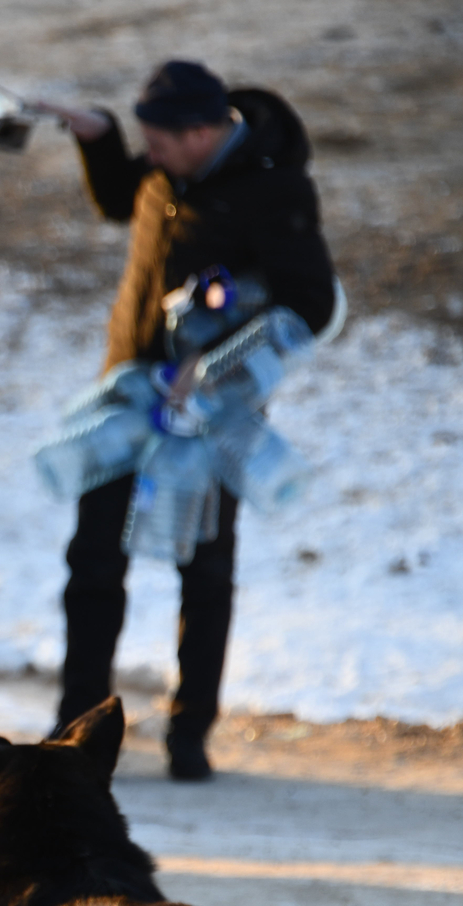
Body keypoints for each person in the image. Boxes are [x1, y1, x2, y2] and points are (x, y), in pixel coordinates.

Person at [35, 61, 335, 780]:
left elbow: (312, 305)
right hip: (128, 396)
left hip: (207, 414)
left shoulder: (275, 189)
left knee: (203, 572)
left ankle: (189, 734)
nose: (153, 156)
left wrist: (220, 359)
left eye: (160, 142)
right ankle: (78, 732)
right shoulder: (165, 176)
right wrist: (97, 135)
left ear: (203, 132)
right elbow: (118, 198)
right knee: (93, 561)